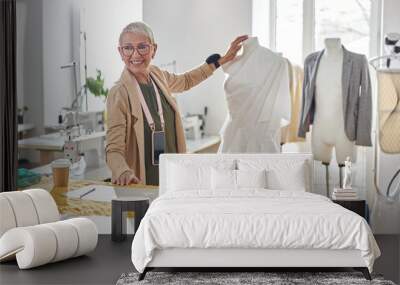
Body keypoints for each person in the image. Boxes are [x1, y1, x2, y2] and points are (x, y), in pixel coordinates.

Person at [106, 21, 247, 186]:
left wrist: (217, 63)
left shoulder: (158, 76)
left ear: (154, 50)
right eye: (128, 48)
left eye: (142, 47)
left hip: (172, 175)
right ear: (120, 52)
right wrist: (123, 171)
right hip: (142, 180)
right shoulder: (119, 93)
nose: (135, 55)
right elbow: (113, 149)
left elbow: (185, 81)